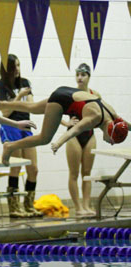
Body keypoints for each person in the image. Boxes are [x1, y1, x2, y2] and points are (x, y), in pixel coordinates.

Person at [0, 86, 130, 166]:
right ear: (109, 131)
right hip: (61, 102)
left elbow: (128, 125)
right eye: (112, 141)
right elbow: (74, 130)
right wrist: (58, 143)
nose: (111, 144)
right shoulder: (95, 118)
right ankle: (10, 146)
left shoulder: (114, 116)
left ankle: (1, 104)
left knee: (34, 107)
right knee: (44, 138)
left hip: (66, 92)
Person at [0, 54, 43, 218]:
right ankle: (14, 206)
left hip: (26, 125)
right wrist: (19, 97)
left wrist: (23, 99)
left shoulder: (25, 83)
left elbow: (31, 106)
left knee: (33, 168)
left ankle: (29, 204)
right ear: (7, 68)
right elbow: (6, 111)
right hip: (11, 125)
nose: (18, 69)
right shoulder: (1, 86)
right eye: (14, 66)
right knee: (16, 167)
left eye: (19, 65)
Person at [61, 63, 100, 217]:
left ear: (89, 77)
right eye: (77, 74)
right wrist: (66, 123)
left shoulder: (95, 95)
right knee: (74, 173)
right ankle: (78, 207)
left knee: (87, 173)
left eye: (83, 75)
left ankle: (86, 205)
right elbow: (52, 112)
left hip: (89, 134)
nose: (79, 78)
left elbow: (103, 115)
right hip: (73, 135)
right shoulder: (70, 94)